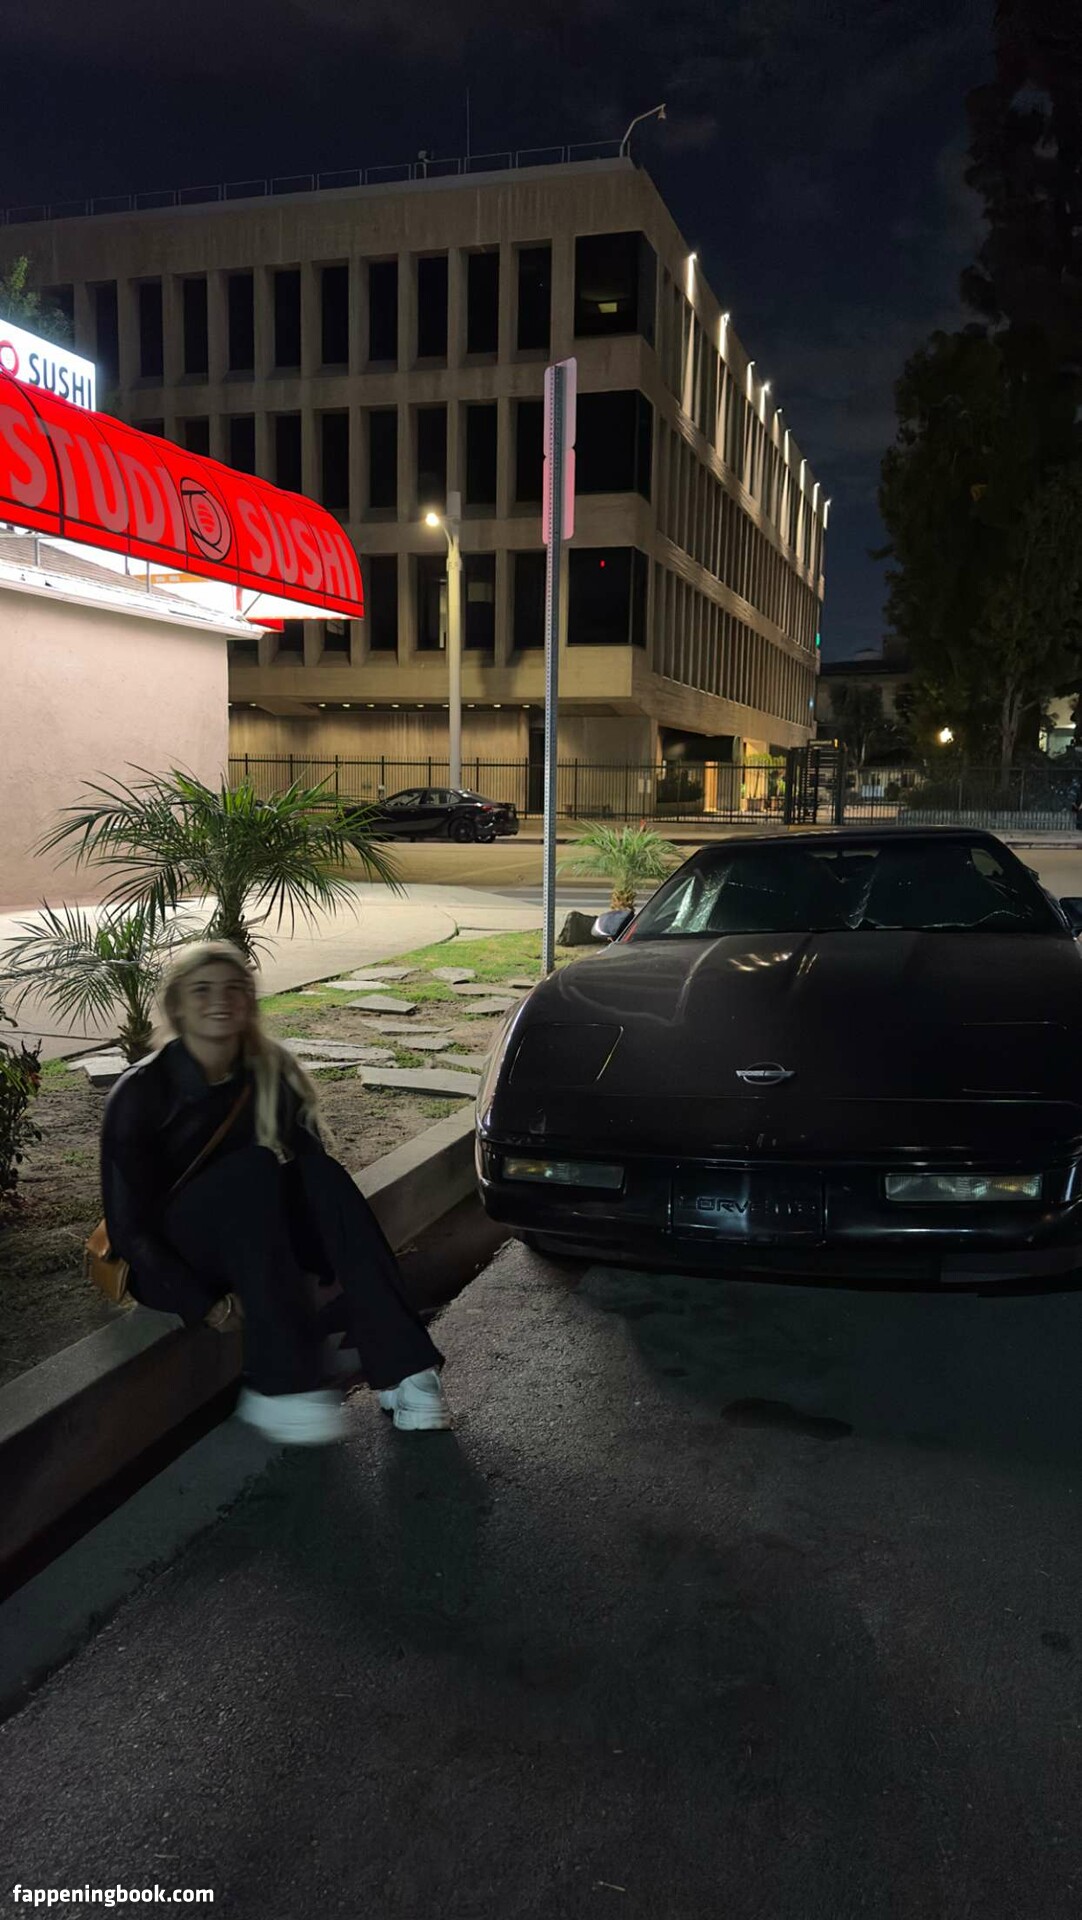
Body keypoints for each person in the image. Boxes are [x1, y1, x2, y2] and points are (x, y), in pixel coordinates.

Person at [99, 940, 450, 1447]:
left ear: (249, 1002)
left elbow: (316, 1185)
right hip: (172, 1260)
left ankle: (410, 1372)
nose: (219, 1001)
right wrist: (205, 1304)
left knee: (320, 1173)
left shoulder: (266, 1074)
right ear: (177, 1006)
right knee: (253, 1167)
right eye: (202, 990)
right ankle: (282, 1383)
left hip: (253, 1243)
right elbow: (129, 1230)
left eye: (234, 989)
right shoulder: (140, 1091)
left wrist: (335, 1262)